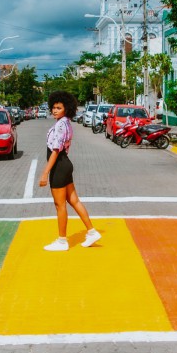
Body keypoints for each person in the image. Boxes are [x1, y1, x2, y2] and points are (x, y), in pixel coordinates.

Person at [39, 91, 101, 251]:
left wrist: (45, 172)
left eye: (58, 108)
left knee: (60, 204)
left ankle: (62, 241)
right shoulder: (66, 123)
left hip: (59, 165)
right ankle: (92, 232)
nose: (54, 110)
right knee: (73, 200)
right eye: (53, 107)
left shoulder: (61, 125)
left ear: (67, 109)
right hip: (65, 164)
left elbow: (55, 150)